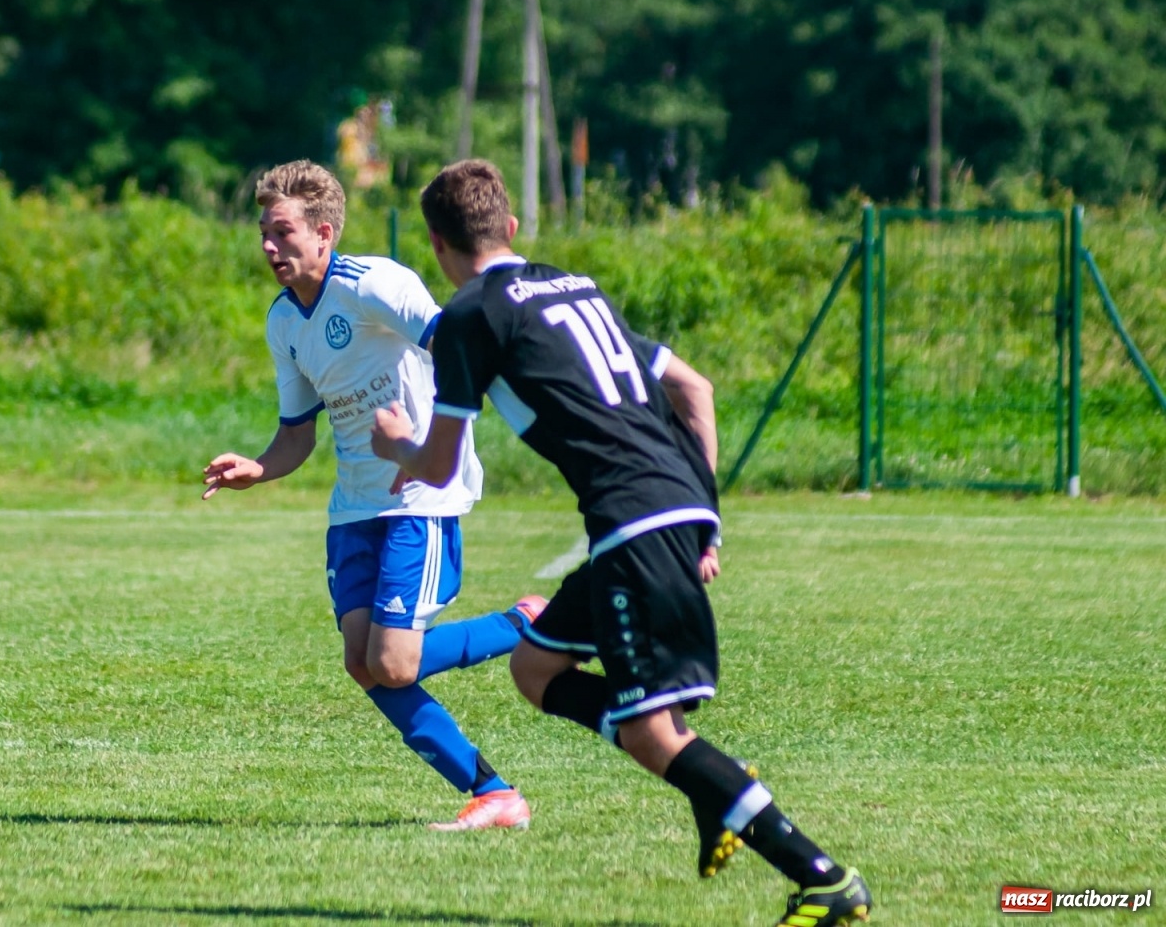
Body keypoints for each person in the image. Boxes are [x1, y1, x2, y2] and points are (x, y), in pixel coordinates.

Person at [370, 159, 873, 925]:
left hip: (633, 524)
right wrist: (704, 515)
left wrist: (398, 444)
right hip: (659, 514)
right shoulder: (577, 288)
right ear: (510, 227)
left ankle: (822, 876)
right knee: (537, 667)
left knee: (649, 732)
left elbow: (437, 466)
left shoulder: (472, 316)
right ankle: (714, 789)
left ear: (438, 245)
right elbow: (693, 389)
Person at [202, 159, 544, 831]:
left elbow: (460, 343)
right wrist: (258, 468)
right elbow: (298, 434)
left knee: (393, 661)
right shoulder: (284, 322)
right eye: (264, 234)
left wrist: (424, 443)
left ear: (324, 232)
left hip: (418, 493)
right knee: (364, 664)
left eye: (283, 233)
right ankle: (494, 793)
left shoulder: (374, 284)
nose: (269, 247)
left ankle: (523, 625)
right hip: (355, 506)